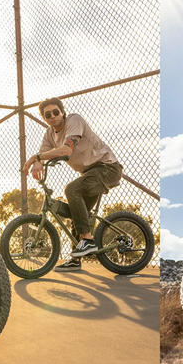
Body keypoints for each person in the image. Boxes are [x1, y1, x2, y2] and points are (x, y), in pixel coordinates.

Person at [22, 97, 122, 272]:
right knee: (76, 214)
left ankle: (88, 240)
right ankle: (76, 259)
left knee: (72, 189)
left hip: (107, 168)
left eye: (55, 112)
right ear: (44, 118)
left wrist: (34, 158)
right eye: (47, 115)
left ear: (62, 112)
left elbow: (66, 150)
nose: (52, 116)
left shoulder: (74, 121)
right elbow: (43, 152)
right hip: (90, 173)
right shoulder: (49, 134)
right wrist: (38, 162)